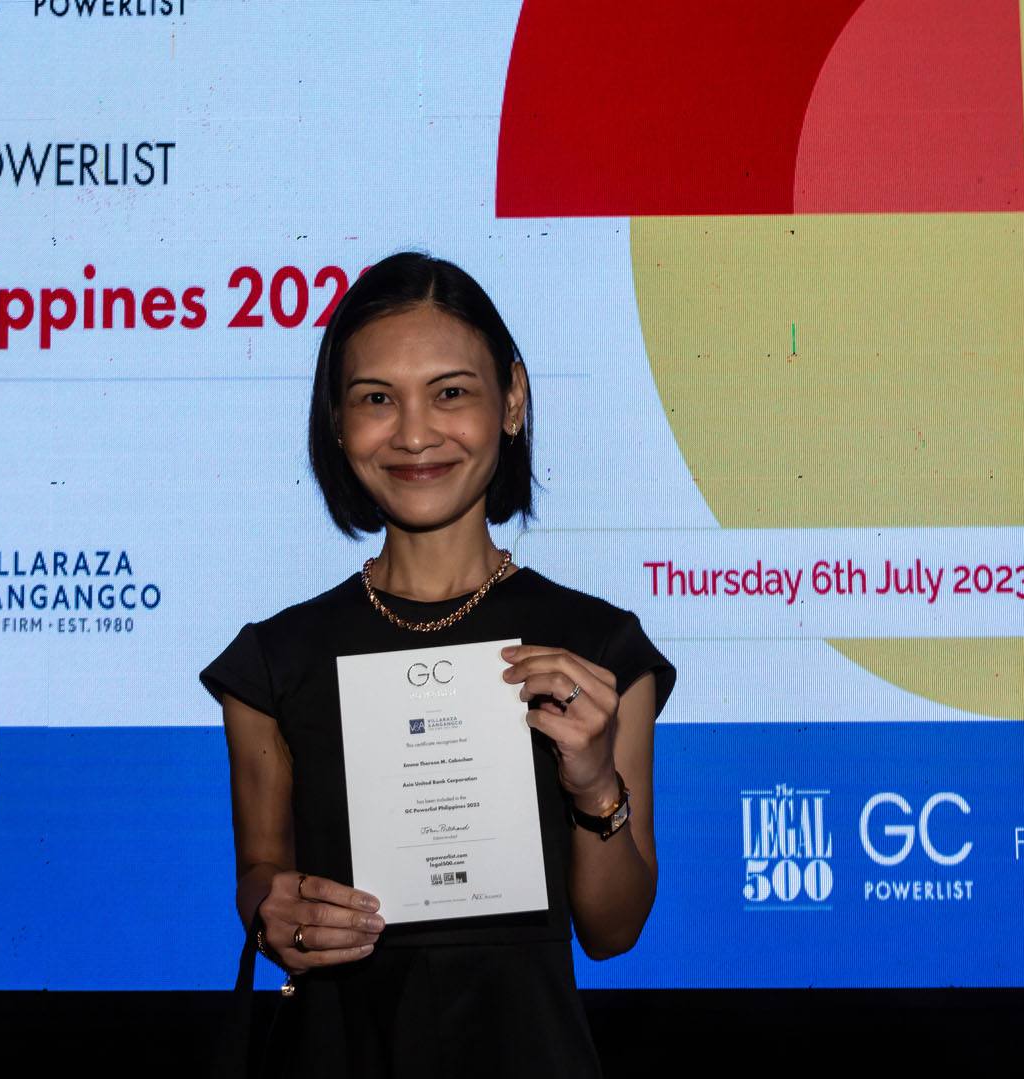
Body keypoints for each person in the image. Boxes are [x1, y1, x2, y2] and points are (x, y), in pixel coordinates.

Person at [199, 251, 677, 1078]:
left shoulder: (597, 648)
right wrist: (275, 913)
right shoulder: (275, 661)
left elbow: (614, 930)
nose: (415, 434)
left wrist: (596, 783)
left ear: (512, 399)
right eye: (376, 399)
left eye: (450, 392)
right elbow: (261, 878)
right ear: (336, 420)